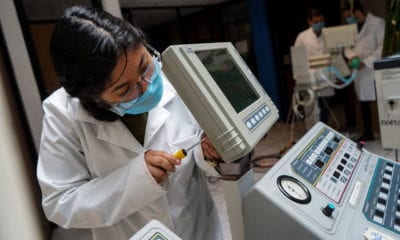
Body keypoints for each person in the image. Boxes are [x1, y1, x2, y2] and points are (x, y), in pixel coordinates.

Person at [36, 5, 225, 240]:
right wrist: (137, 179)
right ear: (91, 96)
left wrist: (210, 155)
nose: (146, 86)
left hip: (198, 230)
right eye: (124, 90)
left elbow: (198, 153)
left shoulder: (175, 77)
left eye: (144, 66)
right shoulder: (62, 114)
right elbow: (60, 204)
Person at [342, 1, 385, 141]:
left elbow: (381, 47)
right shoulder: (350, 27)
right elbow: (346, 47)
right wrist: (351, 56)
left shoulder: (377, 23)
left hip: (372, 69)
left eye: (350, 15)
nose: (348, 19)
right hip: (359, 72)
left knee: (381, 103)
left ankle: (387, 133)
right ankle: (368, 132)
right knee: (364, 103)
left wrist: (365, 62)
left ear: (358, 11)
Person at [294, 8, 334, 125]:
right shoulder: (302, 37)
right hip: (308, 78)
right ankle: (311, 133)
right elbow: (297, 60)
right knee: (310, 109)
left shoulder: (329, 35)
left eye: (321, 21)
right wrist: (300, 80)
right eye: (316, 22)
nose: (319, 24)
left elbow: (335, 55)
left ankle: (325, 130)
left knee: (325, 108)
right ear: (310, 22)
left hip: (325, 77)